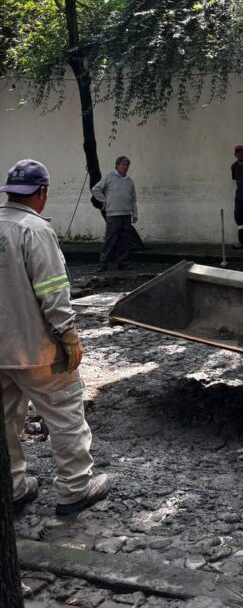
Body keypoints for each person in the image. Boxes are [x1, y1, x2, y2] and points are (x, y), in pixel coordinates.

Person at [0, 159, 110, 515]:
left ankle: (13, 487)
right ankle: (75, 488)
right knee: (65, 415)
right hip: (37, 350)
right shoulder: (35, 230)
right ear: (42, 193)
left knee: (4, 421)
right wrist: (69, 336)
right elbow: (53, 291)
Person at [90, 156, 138, 271]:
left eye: (127, 165)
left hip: (126, 214)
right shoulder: (109, 177)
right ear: (117, 165)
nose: (125, 167)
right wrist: (104, 201)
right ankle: (103, 264)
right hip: (113, 214)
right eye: (123, 165)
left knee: (124, 240)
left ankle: (123, 262)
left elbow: (133, 199)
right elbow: (96, 189)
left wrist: (135, 213)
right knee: (110, 240)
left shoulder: (129, 182)